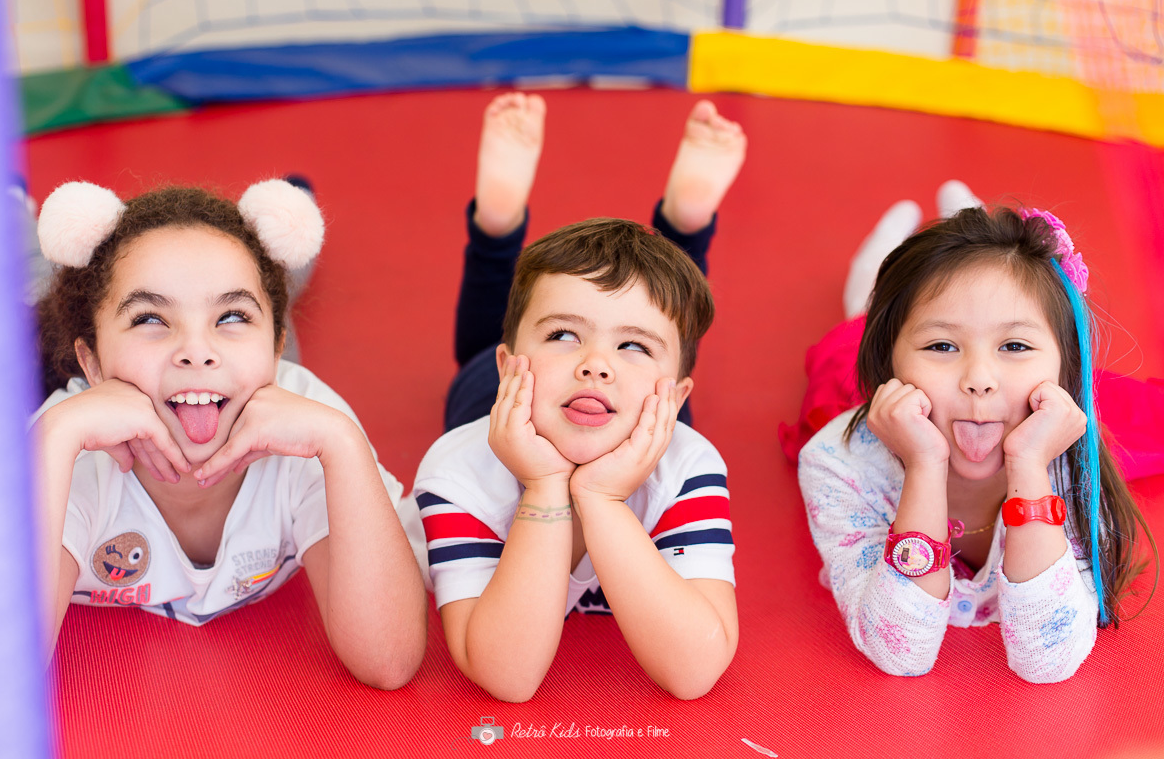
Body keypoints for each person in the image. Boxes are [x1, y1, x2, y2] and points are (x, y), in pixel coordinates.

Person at [31, 180, 426, 689]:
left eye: (232, 316)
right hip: (53, 363)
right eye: (150, 317)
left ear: (276, 351)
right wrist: (56, 434)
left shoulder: (313, 427)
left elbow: (389, 660)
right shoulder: (66, 457)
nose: (196, 350)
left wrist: (343, 445)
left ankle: (283, 256)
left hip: (231, 387)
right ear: (92, 364)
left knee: (253, 309)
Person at [414, 92, 745, 701]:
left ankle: (683, 230)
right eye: (566, 336)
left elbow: (696, 671)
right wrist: (544, 487)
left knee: (663, 320)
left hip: (635, 423)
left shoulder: (688, 463)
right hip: (513, 401)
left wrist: (600, 496)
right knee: (482, 350)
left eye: (629, 348)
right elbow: (507, 678)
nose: (595, 364)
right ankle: (496, 230)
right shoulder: (457, 470)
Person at [794, 182, 1155, 682]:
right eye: (942, 346)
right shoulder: (837, 460)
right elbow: (901, 654)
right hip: (858, 392)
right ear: (889, 363)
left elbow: (1047, 663)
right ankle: (887, 269)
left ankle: (966, 223)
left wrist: (1030, 468)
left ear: (1066, 367)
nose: (979, 379)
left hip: (1013, 409)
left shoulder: (1067, 453)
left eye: (1015, 346)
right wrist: (923, 469)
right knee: (855, 324)